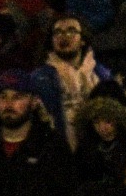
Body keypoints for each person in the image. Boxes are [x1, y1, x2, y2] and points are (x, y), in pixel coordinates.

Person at [29, 15, 111, 149]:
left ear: (83, 40)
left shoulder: (101, 74)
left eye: (71, 31)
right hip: (58, 145)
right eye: (58, 32)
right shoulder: (40, 77)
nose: (64, 36)